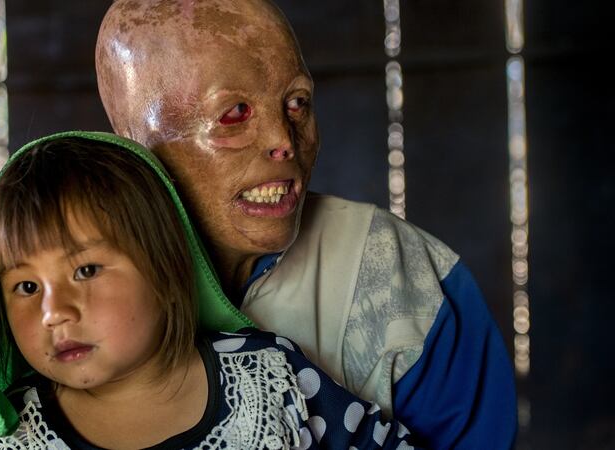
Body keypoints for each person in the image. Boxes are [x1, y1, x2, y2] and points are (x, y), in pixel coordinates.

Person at [95, 1, 517, 448]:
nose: (283, 140)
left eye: (296, 102)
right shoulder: (67, 289)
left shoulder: (403, 278)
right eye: (234, 113)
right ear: (135, 143)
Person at [0, 131, 420, 449]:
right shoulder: (16, 436)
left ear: (166, 272)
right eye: (26, 286)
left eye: (86, 271)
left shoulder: (272, 377)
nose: (54, 312)